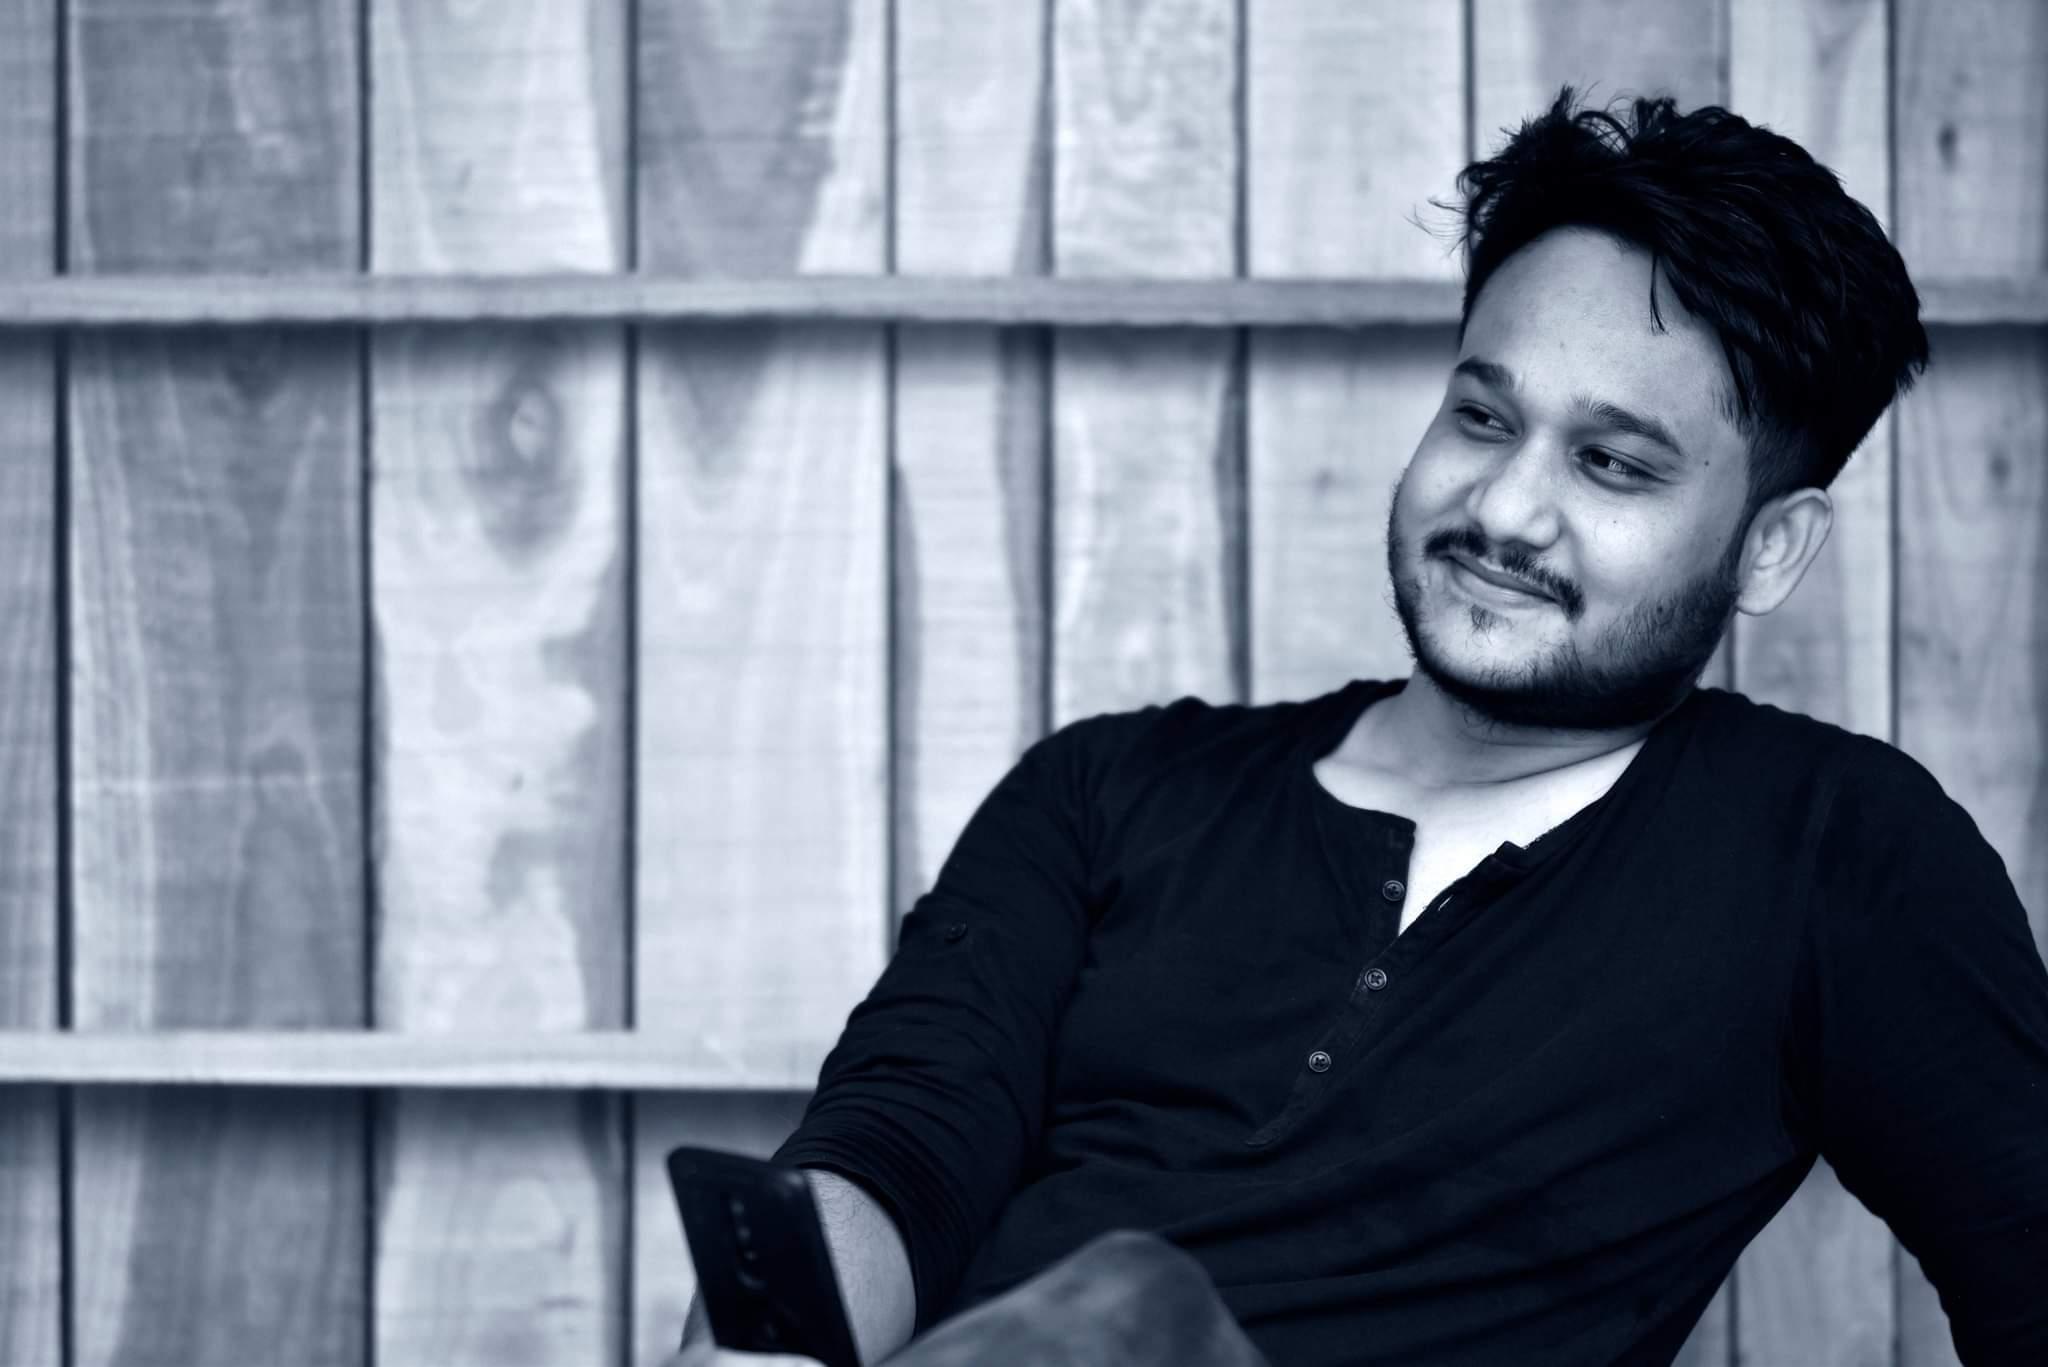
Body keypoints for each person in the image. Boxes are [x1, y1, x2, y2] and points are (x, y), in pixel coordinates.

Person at [667, 86, 2048, 1366]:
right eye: (1482, 417)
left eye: (1612, 464)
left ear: (1770, 548)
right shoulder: (1112, 787)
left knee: (1135, 1314)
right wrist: (763, 1338)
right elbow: (895, 1152)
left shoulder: (1831, 853)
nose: (1504, 508)